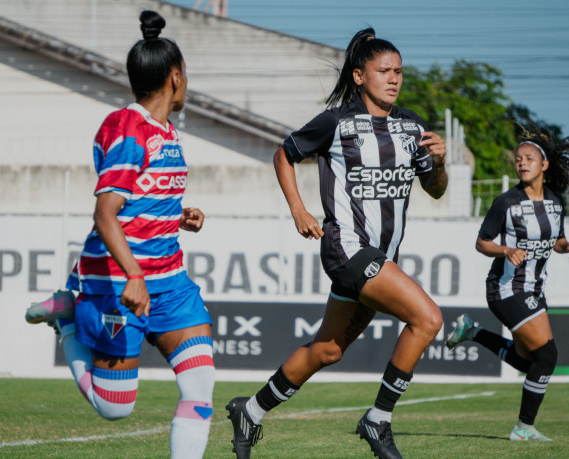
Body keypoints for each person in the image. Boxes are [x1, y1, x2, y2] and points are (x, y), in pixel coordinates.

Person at [226, 28, 448, 459]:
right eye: (384, 70)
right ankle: (378, 418)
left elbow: (435, 189)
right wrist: (299, 210)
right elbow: (284, 154)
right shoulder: (337, 121)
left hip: (380, 258)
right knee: (428, 319)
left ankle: (250, 410)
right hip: (347, 249)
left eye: (399, 71)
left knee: (327, 350)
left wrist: (439, 163)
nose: (394, 78)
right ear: (360, 75)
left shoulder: (412, 126)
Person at [24, 11, 214, 459]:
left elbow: (136, 196)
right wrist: (133, 275)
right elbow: (106, 213)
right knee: (114, 409)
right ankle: (67, 318)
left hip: (168, 282)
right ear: (175, 76)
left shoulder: (166, 131)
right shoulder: (128, 130)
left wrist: (176, 213)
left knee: (200, 386)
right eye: (186, 74)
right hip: (117, 282)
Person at [445, 130, 569, 442]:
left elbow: (557, 240)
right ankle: (523, 428)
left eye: (529, 159)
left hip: (535, 288)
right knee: (547, 357)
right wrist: (505, 250)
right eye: (519, 159)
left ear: (544, 164)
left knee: (528, 361)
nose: (522, 163)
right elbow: (481, 243)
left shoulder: (555, 200)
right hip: (506, 288)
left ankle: (473, 332)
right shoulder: (506, 202)